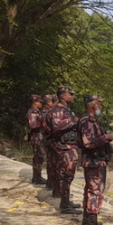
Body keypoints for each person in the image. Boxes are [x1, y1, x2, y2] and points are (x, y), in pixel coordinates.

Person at [77, 95, 113, 225]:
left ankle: (87, 222)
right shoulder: (87, 121)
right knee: (95, 192)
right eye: (99, 103)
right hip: (94, 162)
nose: (101, 106)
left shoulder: (91, 121)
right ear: (93, 105)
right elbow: (88, 143)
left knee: (91, 191)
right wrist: (106, 138)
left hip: (95, 161)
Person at [46, 86, 82, 215]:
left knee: (69, 175)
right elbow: (56, 127)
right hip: (64, 148)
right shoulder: (57, 111)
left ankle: (66, 202)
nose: (72, 96)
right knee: (65, 176)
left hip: (70, 146)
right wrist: (73, 121)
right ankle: (65, 205)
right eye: (70, 94)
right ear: (62, 96)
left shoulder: (66, 110)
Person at [26, 94, 47, 185]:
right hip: (36, 137)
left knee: (39, 157)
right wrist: (43, 123)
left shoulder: (37, 111)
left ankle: (37, 176)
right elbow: (33, 125)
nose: (41, 104)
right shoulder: (33, 112)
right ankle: (37, 177)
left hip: (38, 136)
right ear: (35, 102)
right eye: (40, 102)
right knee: (39, 157)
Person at [41, 94, 58, 191]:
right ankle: (52, 184)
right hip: (49, 140)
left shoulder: (49, 112)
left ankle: (51, 183)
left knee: (51, 163)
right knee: (52, 163)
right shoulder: (46, 113)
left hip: (49, 140)